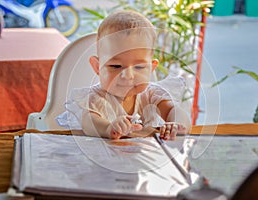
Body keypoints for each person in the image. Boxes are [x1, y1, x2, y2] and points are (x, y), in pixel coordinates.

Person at [58, 10, 191, 140]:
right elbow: (89, 122)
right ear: (97, 67)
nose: (127, 76)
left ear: (151, 68)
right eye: (115, 66)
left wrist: (177, 124)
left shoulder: (151, 95)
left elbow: (174, 111)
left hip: (141, 158)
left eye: (139, 67)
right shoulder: (95, 99)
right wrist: (108, 128)